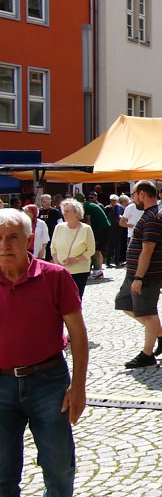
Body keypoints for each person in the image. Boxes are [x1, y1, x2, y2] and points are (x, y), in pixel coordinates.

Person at [0, 208, 89, 497]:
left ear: (28, 240)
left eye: (12, 237)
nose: (4, 245)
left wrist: (77, 387)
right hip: (1, 384)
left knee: (59, 468)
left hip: (48, 382)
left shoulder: (55, 277)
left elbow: (78, 334)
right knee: (2, 472)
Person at [115, 181, 162, 368]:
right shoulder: (150, 214)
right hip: (136, 273)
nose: (132, 199)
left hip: (147, 275)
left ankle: (147, 354)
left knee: (148, 313)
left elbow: (147, 251)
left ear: (142, 194)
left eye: (133, 195)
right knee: (124, 303)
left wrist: (139, 278)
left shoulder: (153, 217)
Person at [51, 199, 96, 299]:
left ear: (76, 213)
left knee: (75, 299)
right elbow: (53, 248)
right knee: (60, 299)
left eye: (68, 211)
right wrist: (57, 264)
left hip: (79, 271)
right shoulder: (59, 227)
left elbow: (91, 250)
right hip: (61, 271)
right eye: (64, 211)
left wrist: (75, 260)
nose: (65, 214)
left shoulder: (86, 229)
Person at [83, 191, 111, 279]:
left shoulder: (86, 206)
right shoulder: (89, 204)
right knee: (96, 249)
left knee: (95, 249)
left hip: (101, 229)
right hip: (103, 228)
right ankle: (96, 270)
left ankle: (98, 272)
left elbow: (88, 221)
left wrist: (88, 234)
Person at [38, 193, 62, 262]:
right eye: (45, 201)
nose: (47, 203)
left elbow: (60, 224)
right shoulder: (38, 212)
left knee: (51, 257)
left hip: (52, 237)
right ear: (42, 201)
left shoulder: (55, 212)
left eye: (49, 201)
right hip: (41, 239)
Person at [104, 194, 126, 267]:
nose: (114, 202)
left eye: (115, 200)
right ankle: (108, 262)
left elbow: (123, 216)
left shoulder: (120, 208)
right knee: (109, 245)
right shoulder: (107, 208)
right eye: (112, 200)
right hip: (110, 229)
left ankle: (117, 261)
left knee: (117, 245)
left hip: (118, 228)